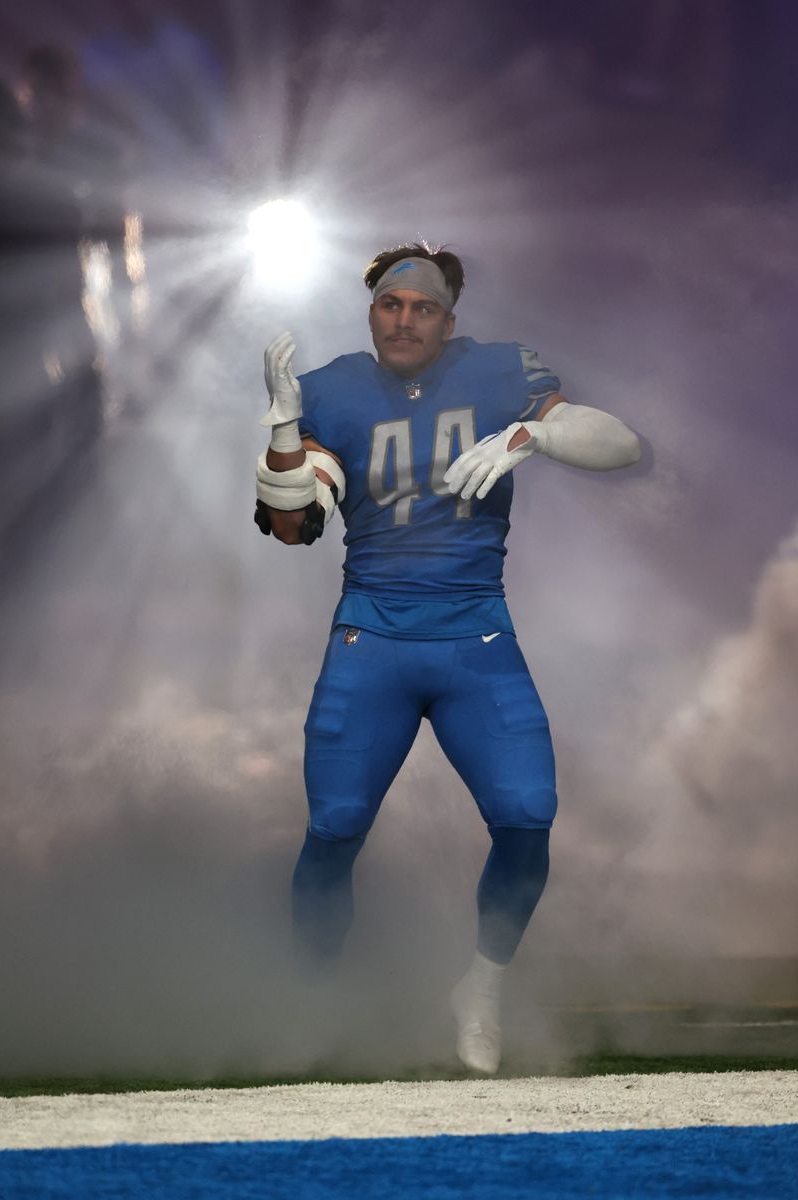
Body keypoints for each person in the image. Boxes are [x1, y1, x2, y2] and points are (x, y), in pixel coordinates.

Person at [255, 243, 640, 1073]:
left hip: (476, 635)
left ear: (448, 320)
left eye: (422, 307)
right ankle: (312, 997)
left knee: (528, 816)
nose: (404, 320)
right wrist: (286, 429)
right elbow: (292, 524)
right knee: (334, 827)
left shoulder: (501, 372)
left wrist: (537, 432)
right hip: (373, 636)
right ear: (372, 313)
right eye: (392, 305)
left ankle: (482, 987)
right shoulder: (332, 390)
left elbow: (620, 445)